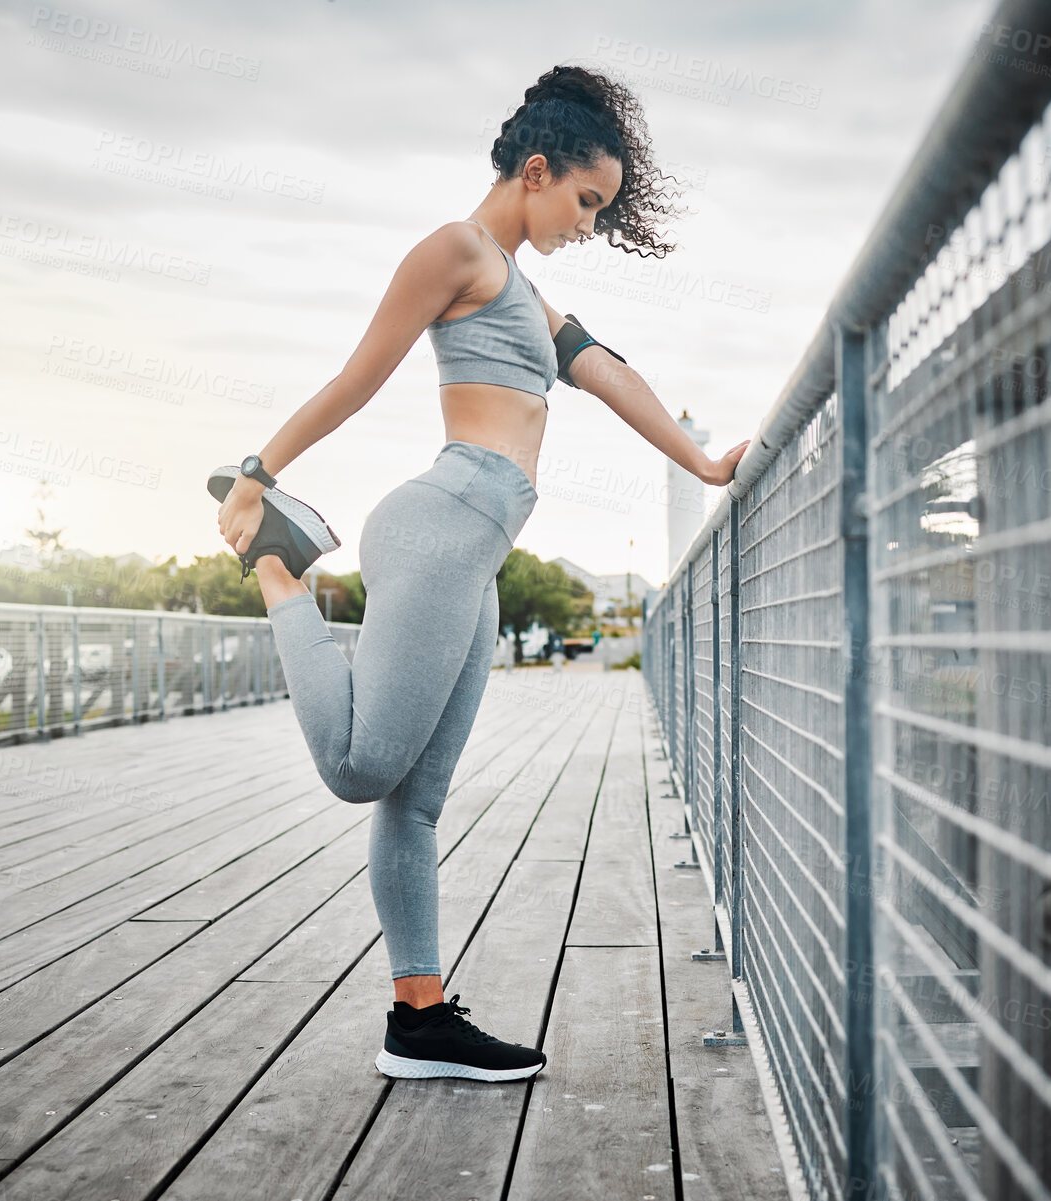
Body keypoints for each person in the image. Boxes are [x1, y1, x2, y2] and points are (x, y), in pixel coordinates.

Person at [208, 64, 751, 1083]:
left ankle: (418, 1020)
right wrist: (256, 474)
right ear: (534, 170)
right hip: (438, 523)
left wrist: (703, 463)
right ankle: (281, 570)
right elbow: (356, 377)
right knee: (362, 768)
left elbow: (609, 371)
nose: (587, 223)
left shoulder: (528, 294)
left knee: (414, 801)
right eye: (584, 201)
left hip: (473, 549)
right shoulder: (455, 251)